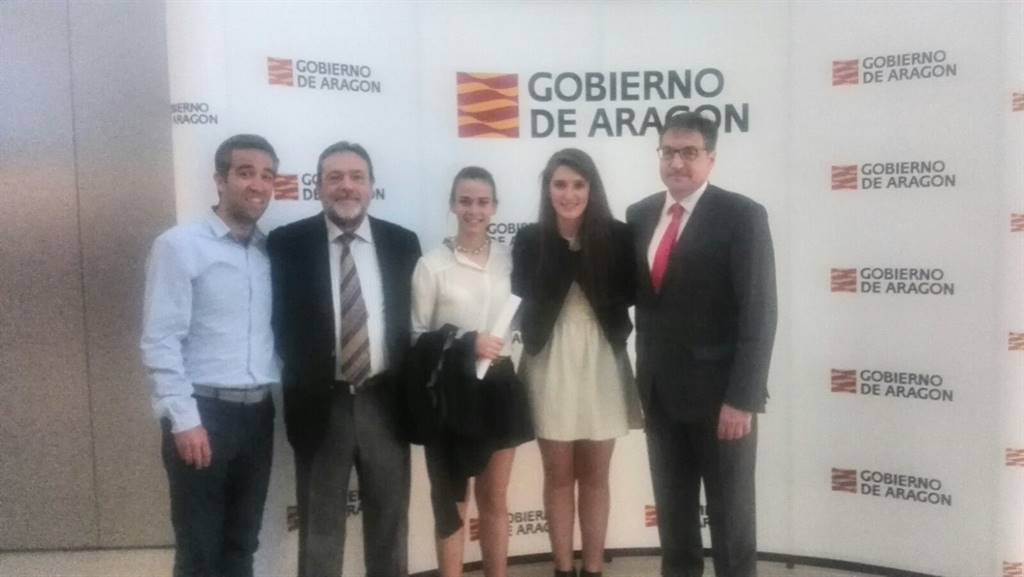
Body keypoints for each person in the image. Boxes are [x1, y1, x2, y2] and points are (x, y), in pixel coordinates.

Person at [626, 111, 777, 577]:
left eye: (689, 152)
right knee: (674, 525)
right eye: (668, 152)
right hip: (659, 398)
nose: (677, 162)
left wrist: (743, 399)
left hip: (721, 403)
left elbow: (760, 312)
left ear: (711, 158)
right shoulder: (639, 214)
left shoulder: (742, 215)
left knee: (731, 524)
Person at [267, 141, 421, 577]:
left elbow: (414, 323)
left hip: (386, 402)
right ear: (318, 187)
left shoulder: (402, 242)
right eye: (334, 178)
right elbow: (276, 321)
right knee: (319, 531)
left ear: (372, 186)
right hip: (320, 404)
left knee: (390, 524)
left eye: (357, 177)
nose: (346, 186)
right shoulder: (287, 244)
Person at [141, 133, 280, 577]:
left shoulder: (269, 252)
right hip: (203, 413)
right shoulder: (180, 245)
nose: (257, 185)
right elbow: (161, 339)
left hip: (258, 415)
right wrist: (184, 420)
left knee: (243, 543)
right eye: (245, 173)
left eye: (267, 175)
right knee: (199, 550)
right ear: (220, 180)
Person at [512, 148, 642, 577]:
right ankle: (563, 569)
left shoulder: (618, 237)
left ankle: (593, 569)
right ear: (547, 189)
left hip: (602, 358)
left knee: (597, 476)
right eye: (560, 184)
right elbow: (522, 300)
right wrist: (565, 247)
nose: (568, 194)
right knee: (558, 475)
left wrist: (586, 245)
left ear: (592, 188)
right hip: (549, 359)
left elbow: (631, 294)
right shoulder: (530, 239)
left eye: (578, 184)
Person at [410, 166, 533, 577]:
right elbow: (417, 337)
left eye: (482, 202)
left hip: (499, 388)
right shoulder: (431, 265)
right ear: (452, 204)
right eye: (465, 201)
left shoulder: (509, 260)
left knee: (494, 499)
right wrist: (466, 341)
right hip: (451, 395)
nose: (474, 210)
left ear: (494, 207)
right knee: (452, 505)